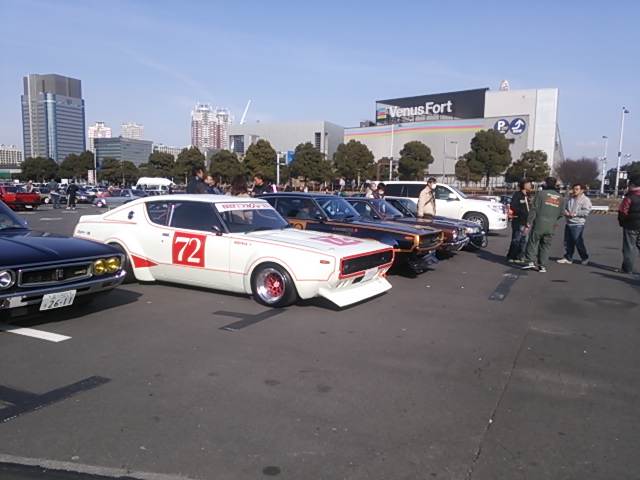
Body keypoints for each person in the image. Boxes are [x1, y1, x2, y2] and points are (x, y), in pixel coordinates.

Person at [521, 177, 565, 273]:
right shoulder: (560, 197)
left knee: (533, 241)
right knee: (545, 245)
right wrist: (554, 220)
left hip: (539, 223)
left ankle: (530, 261)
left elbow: (534, 209)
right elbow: (562, 213)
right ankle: (542, 265)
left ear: (546, 183)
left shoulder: (541, 194)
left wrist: (529, 222)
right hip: (551, 225)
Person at [557, 183, 592, 265]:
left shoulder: (585, 200)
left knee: (578, 241)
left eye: (577, 189)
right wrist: (565, 212)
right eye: (574, 189)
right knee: (568, 242)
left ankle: (584, 257)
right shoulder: (571, 198)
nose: (574, 191)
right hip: (569, 222)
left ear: (582, 190)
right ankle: (568, 258)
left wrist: (575, 214)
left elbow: (586, 212)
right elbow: (565, 207)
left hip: (578, 224)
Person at [506, 179, 533, 263]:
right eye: (528, 184)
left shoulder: (529, 195)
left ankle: (520, 256)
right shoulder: (517, 194)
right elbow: (513, 206)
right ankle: (512, 256)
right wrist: (522, 212)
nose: (530, 186)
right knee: (516, 238)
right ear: (523, 185)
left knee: (524, 239)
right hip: (518, 220)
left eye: (530, 184)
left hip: (527, 221)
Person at [618, 174, 640, 274]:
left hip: (631, 225)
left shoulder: (630, 197)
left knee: (629, 248)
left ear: (632, 185)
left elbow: (623, 212)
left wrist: (622, 222)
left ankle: (627, 269)